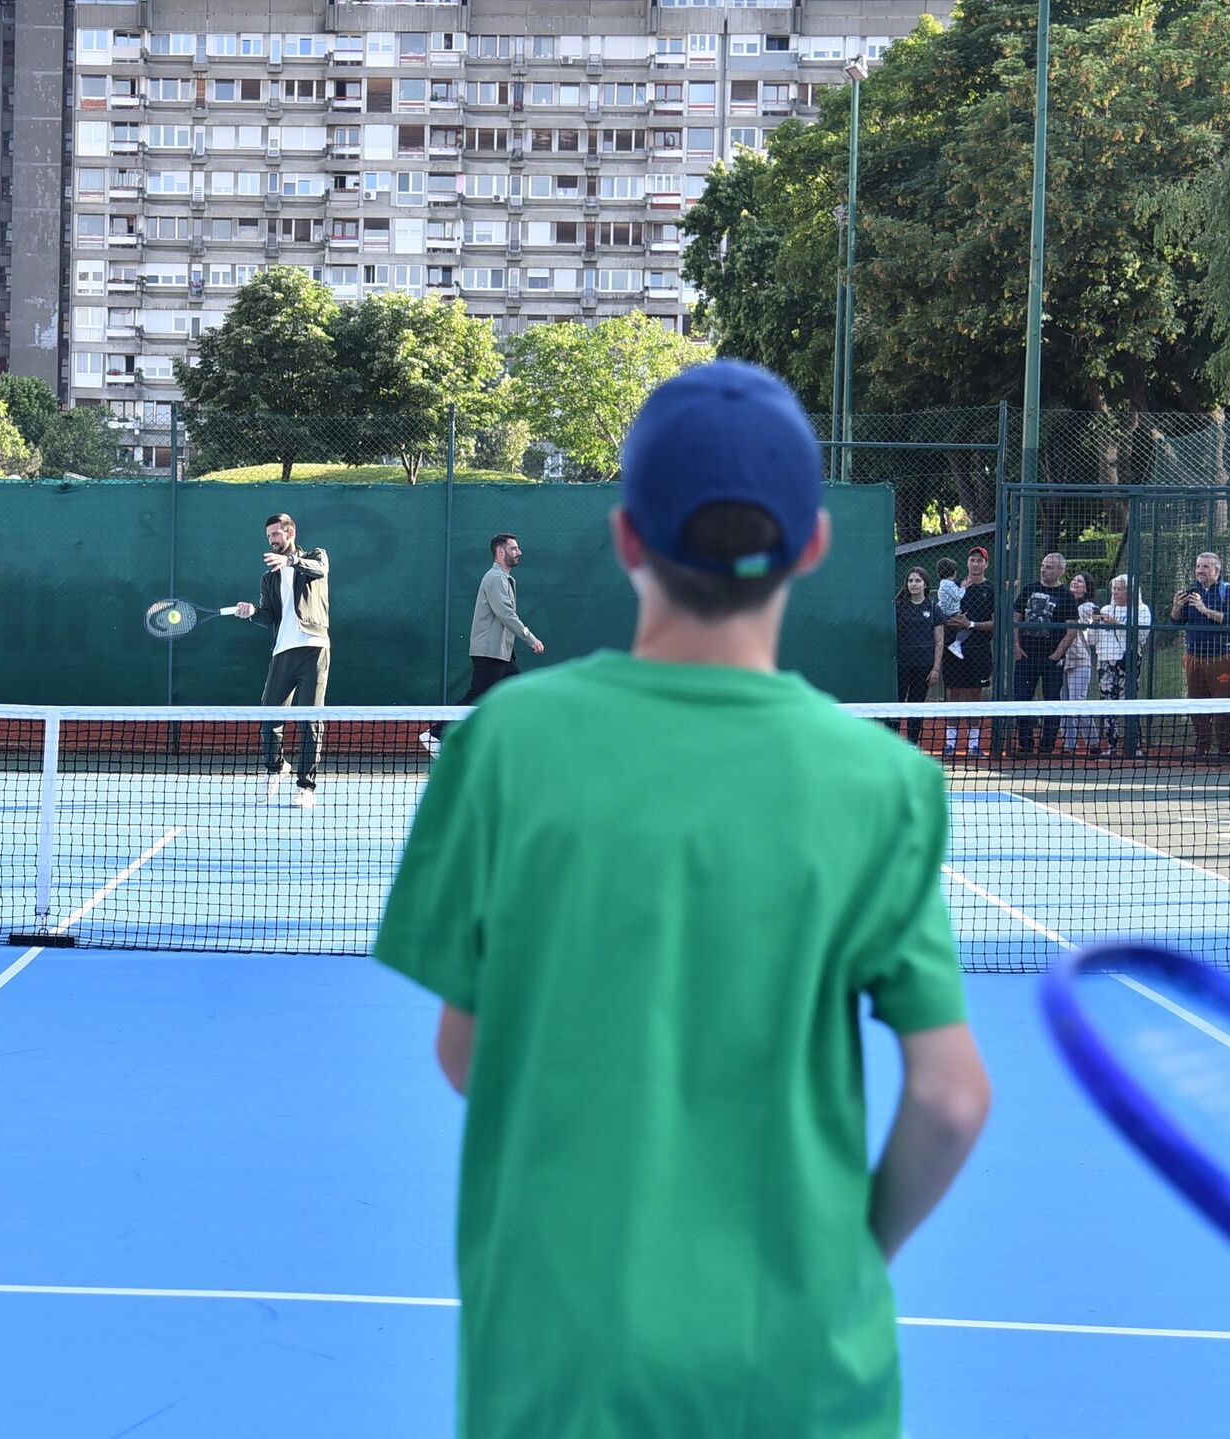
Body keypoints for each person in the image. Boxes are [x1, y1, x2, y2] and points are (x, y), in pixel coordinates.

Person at [375, 360, 989, 1439]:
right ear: (812, 544)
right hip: (802, 1377)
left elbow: (464, 1053)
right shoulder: (886, 784)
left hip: (556, 1367)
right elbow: (950, 1100)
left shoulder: (504, 747)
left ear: (627, 539)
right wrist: (844, 1257)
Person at [233, 512, 329, 807]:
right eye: (268, 536)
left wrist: (290, 561)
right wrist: (252, 613)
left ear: (290, 533)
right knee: (269, 715)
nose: (272, 540)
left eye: (275, 534)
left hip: (314, 647)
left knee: (309, 718)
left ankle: (307, 787)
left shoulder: (315, 556)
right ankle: (276, 768)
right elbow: (270, 617)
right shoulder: (268, 578)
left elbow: (319, 570)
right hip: (282, 651)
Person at [421, 533, 544, 757]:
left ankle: (511, 743)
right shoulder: (495, 578)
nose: (519, 552)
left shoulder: (503, 578)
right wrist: (530, 638)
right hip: (490, 653)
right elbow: (506, 614)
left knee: (516, 695)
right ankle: (436, 734)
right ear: (500, 552)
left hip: (503, 654)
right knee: (476, 697)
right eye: (514, 548)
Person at [1170, 551, 1230, 758]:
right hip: (1194, 657)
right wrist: (1176, 607)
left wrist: (1204, 610)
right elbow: (1176, 622)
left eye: (1205, 567)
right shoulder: (1190, 592)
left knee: (1223, 705)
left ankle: (1224, 750)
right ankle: (1202, 748)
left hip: (1221, 657)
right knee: (1197, 704)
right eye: (1198, 566)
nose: (1200, 571)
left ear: (1217, 570)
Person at [1011, 551, 1072, 754]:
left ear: (1060, 571)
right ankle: (1025, 744)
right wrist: (1016, 647)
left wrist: (1056, 655)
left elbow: (1072, 628)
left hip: (1051, 661)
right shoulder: (1029, 589)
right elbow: (1016, 618)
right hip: (1026, 657)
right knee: (1021, 700)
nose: (1043, 570)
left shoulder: (1066, 595)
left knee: (1052, 701)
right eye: (1043, 565)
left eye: (1049, 567)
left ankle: (1047, 746)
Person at [940, 545, 996, 757]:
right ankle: (950, 744)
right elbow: (943, 614)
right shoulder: (954, 587)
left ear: (986, 564)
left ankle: (973, 745)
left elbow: (996, 623)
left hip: (979, 652)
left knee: (974, 696)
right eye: (972, 560)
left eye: (980, 560)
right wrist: (950, 622)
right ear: (967, 563)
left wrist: (970, 624)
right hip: (953, 652)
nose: (976, 563)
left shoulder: (991, 589)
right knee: (954, 694)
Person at [1090, 574, 1151, 756]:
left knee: (1129, 702)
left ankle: (1135, 745)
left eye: (1120, 589)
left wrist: (1116, 624)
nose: (1116, 592)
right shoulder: (1105, 609)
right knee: (1108, 703)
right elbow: (1091, 639)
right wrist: (1094, 623)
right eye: (1114, 589)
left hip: (1128, 661)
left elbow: (1141, 636)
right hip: (1104, 661)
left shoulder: (1141, 610)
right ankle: (1111, 745)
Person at [893, 566, 943, 741]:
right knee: (895, 706)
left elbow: (939, 641)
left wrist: (936, 668)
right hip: (900, 666)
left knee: (916, 706)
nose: (913, 584)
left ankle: (912, 743)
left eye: (917, 581)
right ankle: (891, 745)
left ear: (925, 584)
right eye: (910, 580)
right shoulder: (898, 607)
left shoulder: (934, 608)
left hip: (923, 667)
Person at [1059, 574, 1098, 754]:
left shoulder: (1088, 607)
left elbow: (1085, 631)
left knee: (1077, 702)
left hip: (1080, 660)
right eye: (1074, 580)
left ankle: (1093, 742)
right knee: (1064, 704)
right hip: (1062, 660)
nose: (1075, 582)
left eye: (1080, 581)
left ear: (1086, 588)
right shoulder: (1065, 603)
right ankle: (1069, 744)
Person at [934, 557, 965, 665]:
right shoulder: (948, 583)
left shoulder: (943, 583)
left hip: (945, 612)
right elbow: (957, 596)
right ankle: (956, 644)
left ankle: (951, 647)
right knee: (967, 627)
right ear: (953, 572)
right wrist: (964, 587)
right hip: (951, 613)